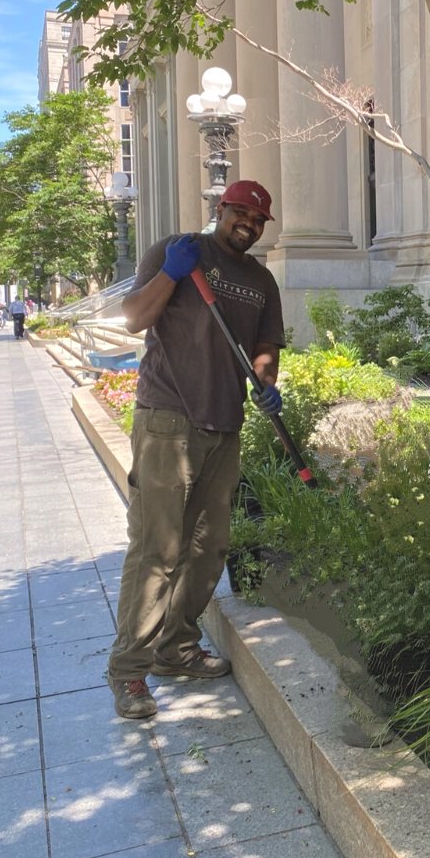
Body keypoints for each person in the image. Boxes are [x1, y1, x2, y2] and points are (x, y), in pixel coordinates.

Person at [107, 179, 286, 720]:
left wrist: (266, 379)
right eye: (241, 214)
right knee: (158, 549)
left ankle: (176, 649)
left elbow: (264, 346)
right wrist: (171, 273)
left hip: (224, 424)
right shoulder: (176, 250)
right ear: (220, 209)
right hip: (168, 418)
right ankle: (128, 672)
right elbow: (136, 317)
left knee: (209, 546)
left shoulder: (261, 279)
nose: (248, 226)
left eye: (257, 220)